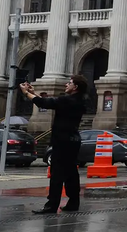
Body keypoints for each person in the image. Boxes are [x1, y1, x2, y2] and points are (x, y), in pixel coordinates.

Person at [21, 75, 88, 214]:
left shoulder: (67, 100)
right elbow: (48, 102)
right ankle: (73, 203)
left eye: (69, 83)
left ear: (75, 87)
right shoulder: (79, 101)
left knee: (57, 174)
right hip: (73, 140)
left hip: (62, 140)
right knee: (71, 173)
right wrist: (34, 94)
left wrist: (26, 93)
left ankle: (51, 206)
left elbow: (44, 104)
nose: (66, 85)